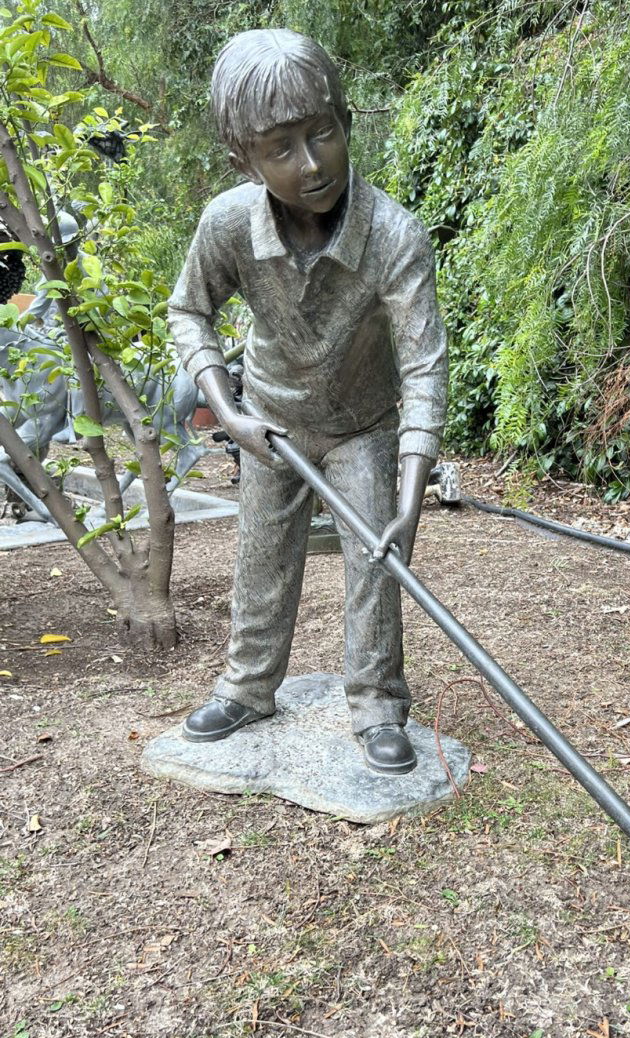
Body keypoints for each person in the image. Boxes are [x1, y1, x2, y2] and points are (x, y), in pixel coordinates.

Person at [167, 29, 448, 776]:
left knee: (376, 560)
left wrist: (411, 495)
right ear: (244, 158)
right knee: (262, 557)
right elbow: (188, 311)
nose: (312, 163)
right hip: (269, 423)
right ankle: (249, 685)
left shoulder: (394, 235)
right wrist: (227, 412)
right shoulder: (227, 224)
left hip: (363, 425)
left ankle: (379, 702)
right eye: (282, 148)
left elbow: (423, 366)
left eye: (322, 134)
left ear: (346, 121)